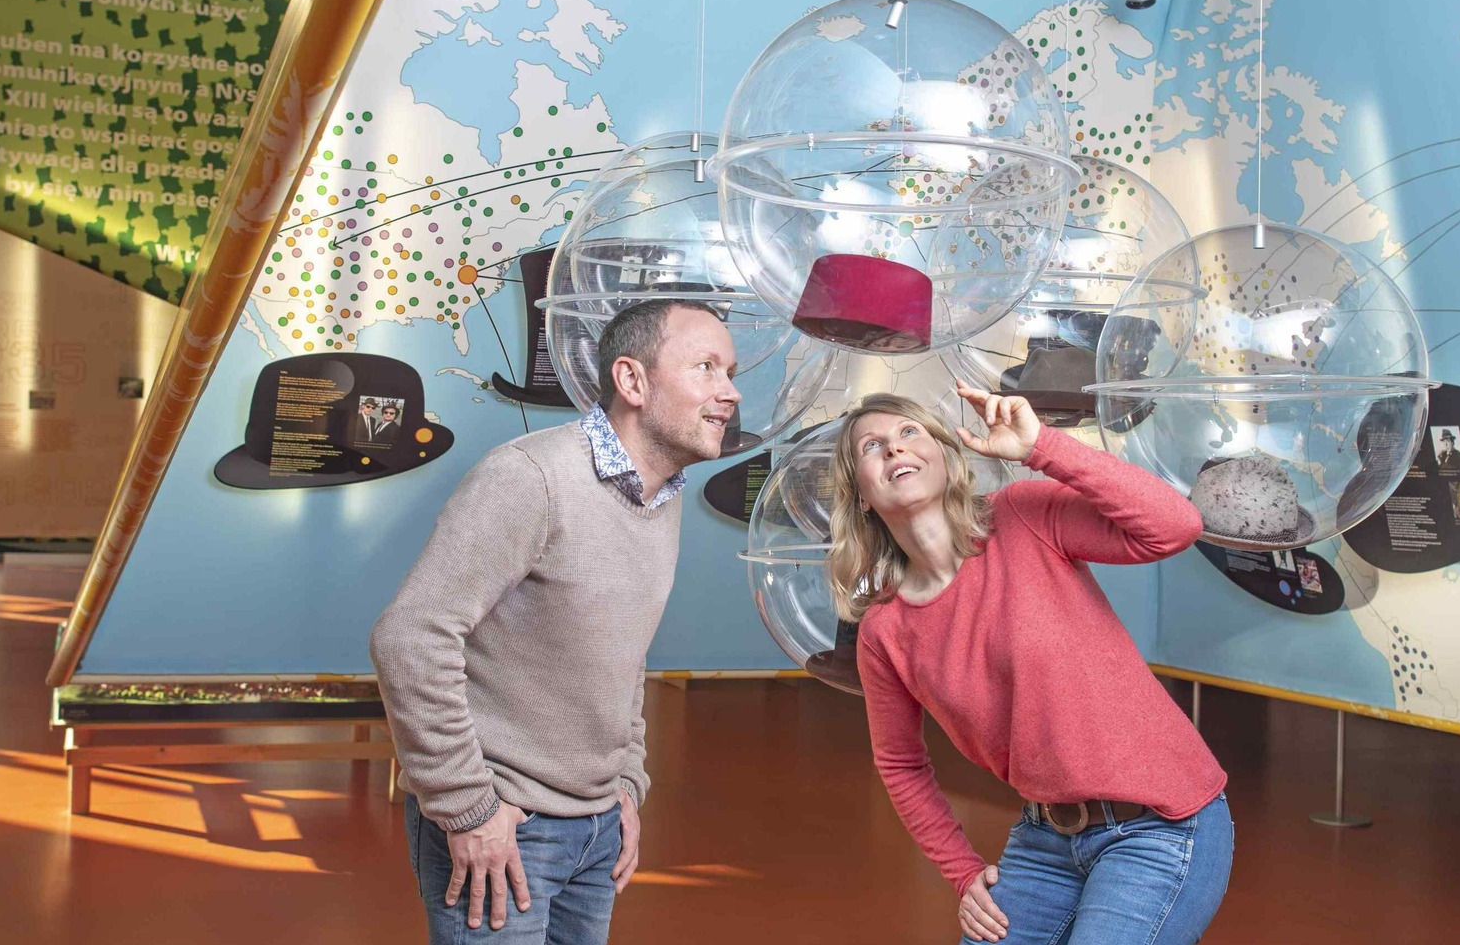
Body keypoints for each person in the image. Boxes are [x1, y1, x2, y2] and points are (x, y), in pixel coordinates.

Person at [371, 299, 741, 944]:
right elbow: (409, 637)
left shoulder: (660, 496)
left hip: (597, 827)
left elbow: (620, 654)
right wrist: (467, 808)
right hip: (507, 824)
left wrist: (625, 785)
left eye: (729, 372)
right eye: (706, 367)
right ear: (632, 381)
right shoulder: (531, 477)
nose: (729, 393)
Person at [828, 383, 1232, 945]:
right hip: (1045, 840)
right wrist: (962, 872)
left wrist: (1042, 446)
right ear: (861, 496)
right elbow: (900, 763)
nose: (894, 448)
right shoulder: (884, 630)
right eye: (871, 446)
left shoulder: (1021, 515)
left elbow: (1175, 526)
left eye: (909, 432)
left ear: (945, 456)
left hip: (1162, 825)